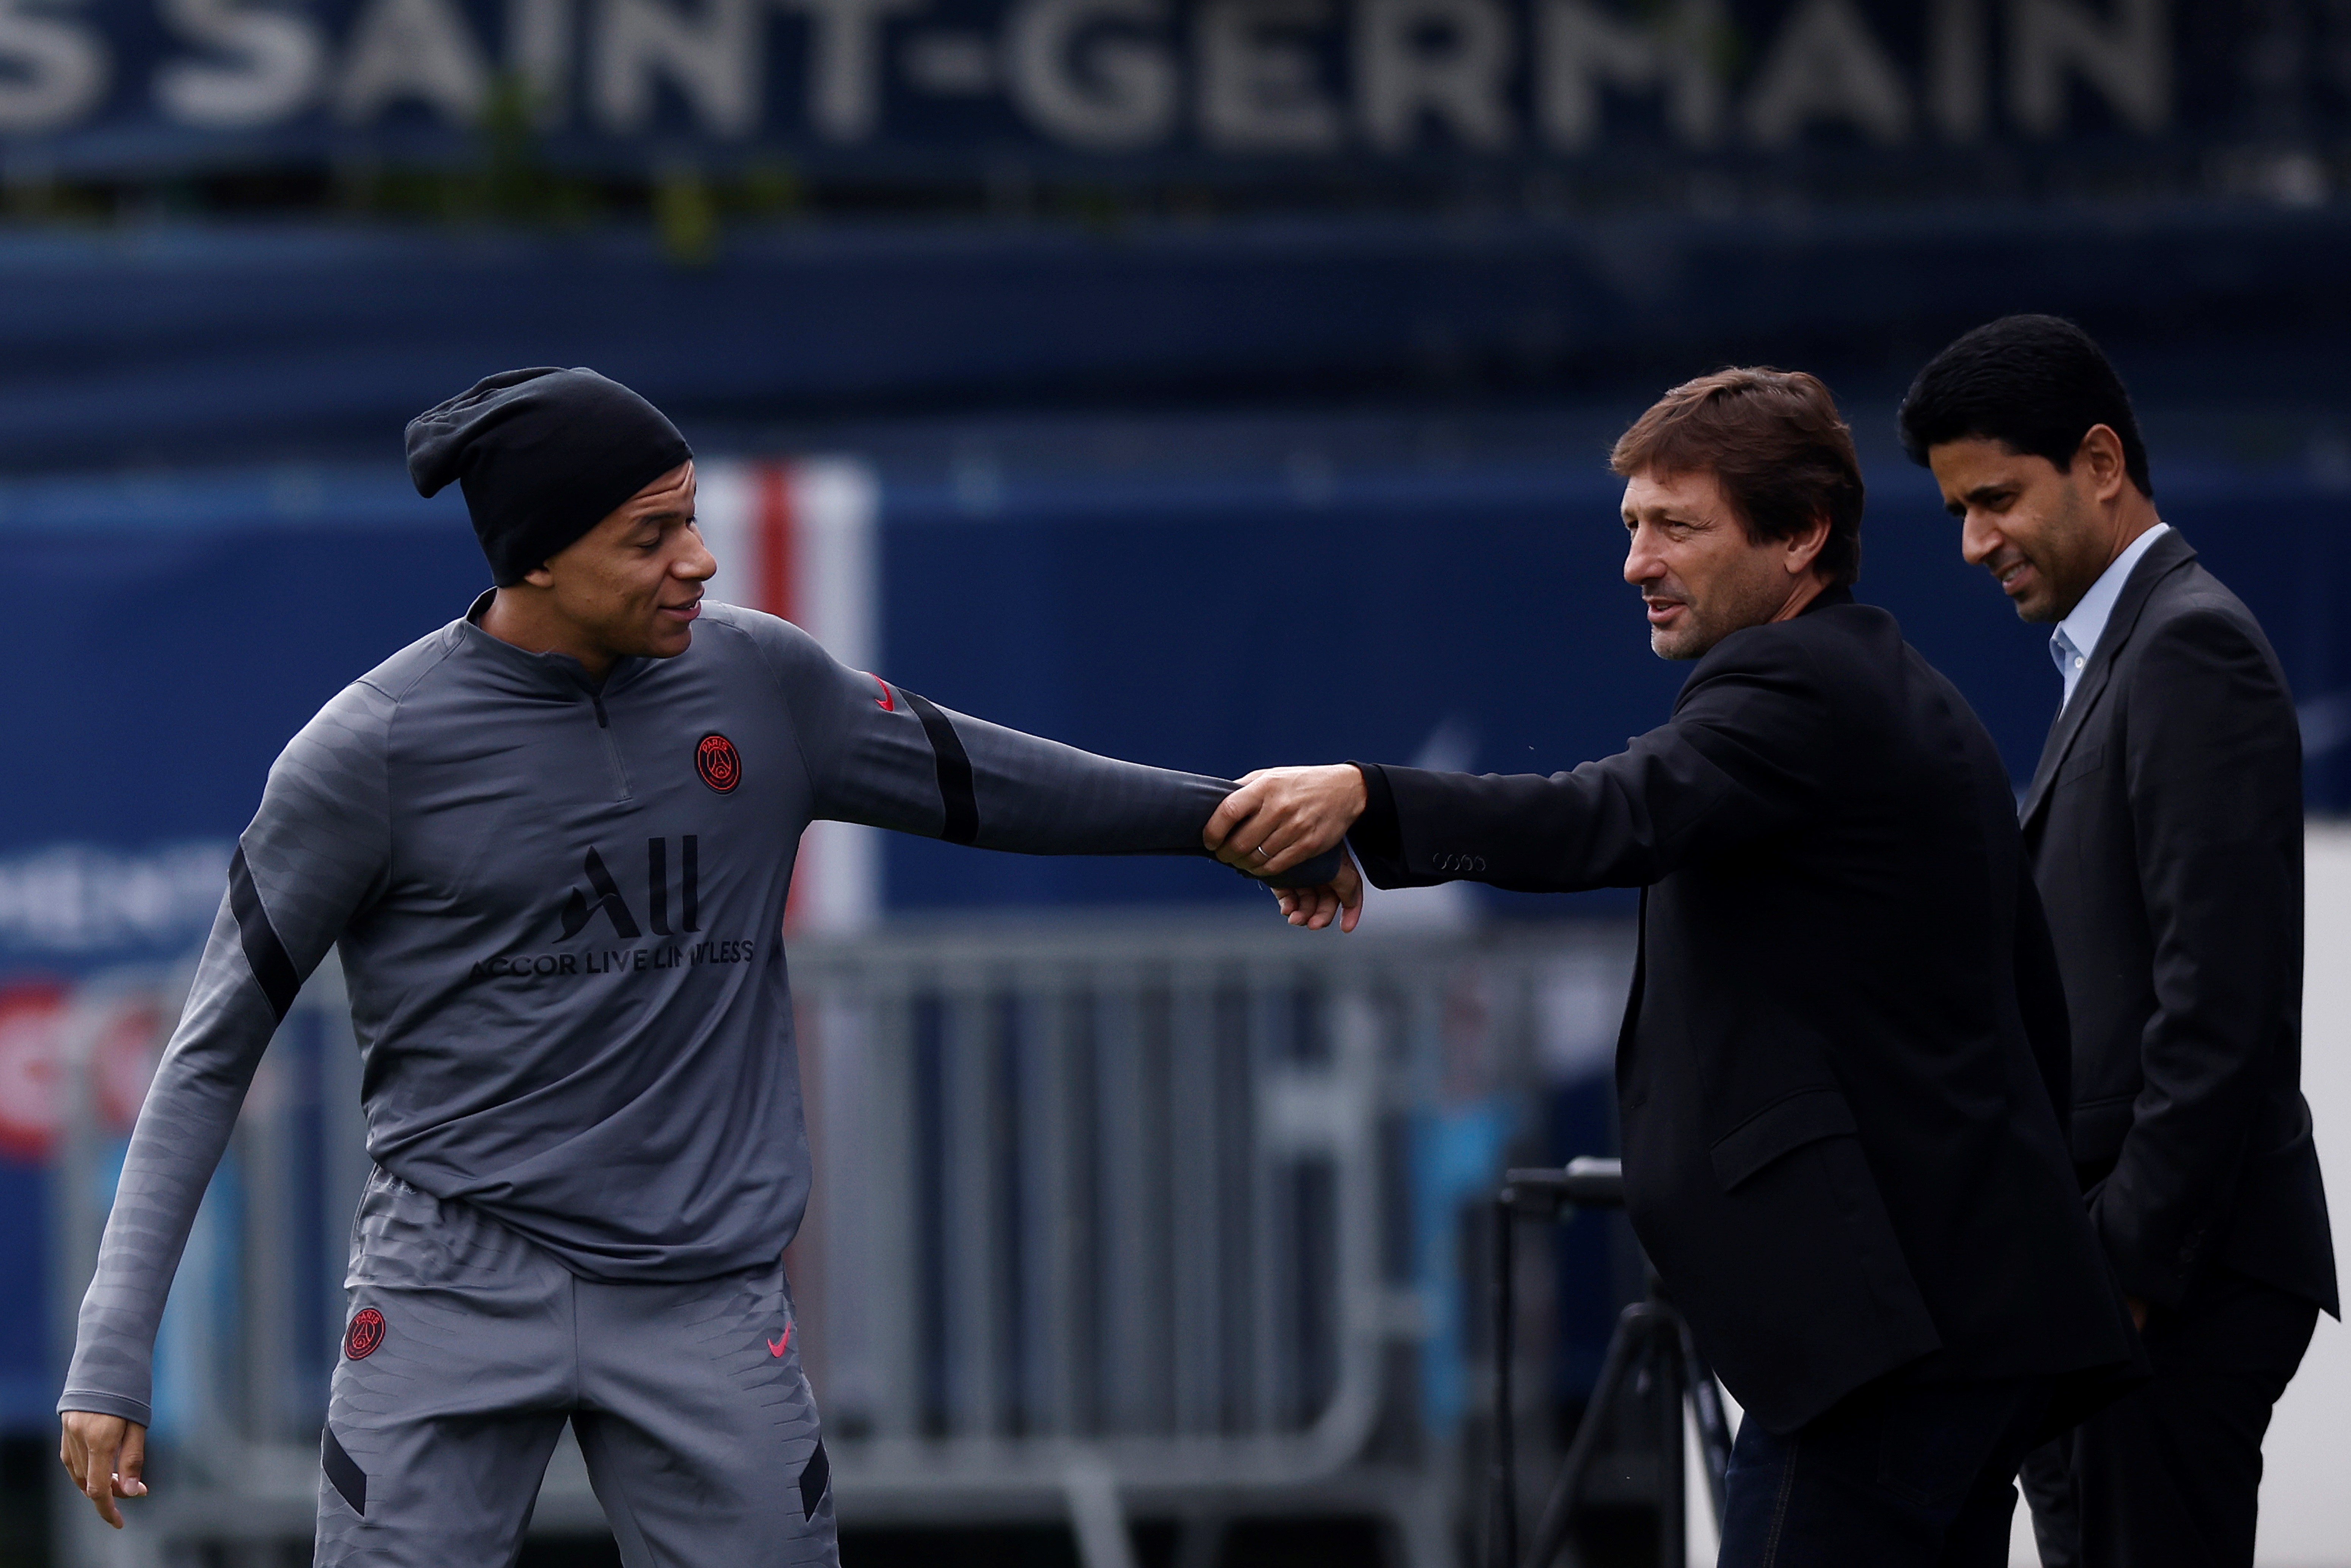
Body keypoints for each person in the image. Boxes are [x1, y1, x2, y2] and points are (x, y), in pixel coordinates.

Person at [55, 367, 1339, 1567]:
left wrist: (1232, 824)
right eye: (653, 534)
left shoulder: (766, 682)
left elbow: (995, 782)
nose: (700, 560)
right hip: (448, 1292)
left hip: (704, 1299)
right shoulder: (368, 752)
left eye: (695, 520)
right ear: (537, 560)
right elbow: (207, 1050)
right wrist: (113, 1356)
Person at [1208, 367, 2139, 1566]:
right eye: (1632, 527)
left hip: (1888, 1347)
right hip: (1948, 1325)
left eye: (1678, 527)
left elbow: (1606, 813)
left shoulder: (1796, 684)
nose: (1639, 563)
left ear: (1802, 535)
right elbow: (2026, 1009)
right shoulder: (1897, 692)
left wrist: (1366, 798)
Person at [1898, 315, 2337, 1568]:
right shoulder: (2131, 651)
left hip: (2167, 1293)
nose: (1976, 541)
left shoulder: (2188, 646)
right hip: (2113, 1289)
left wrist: (2127, 1270)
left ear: (2100, 462)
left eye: (1997, 499)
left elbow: (2219, 1008)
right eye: (1957, 512)